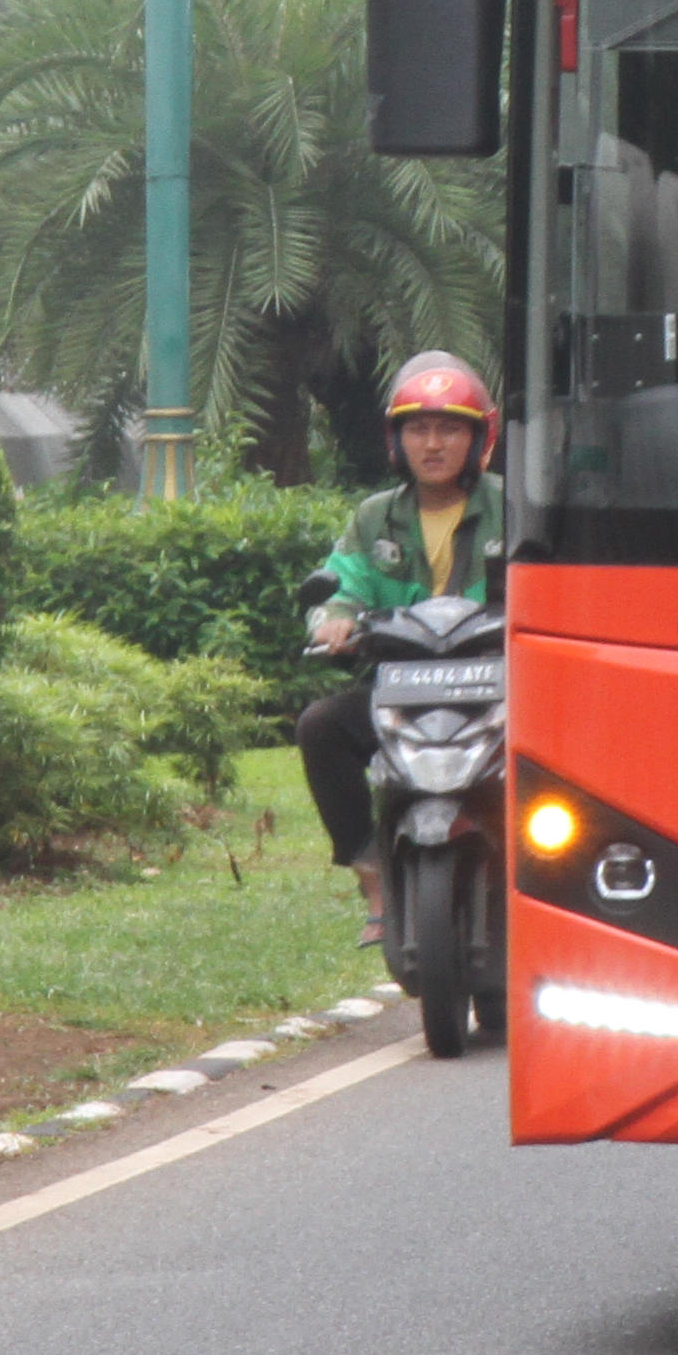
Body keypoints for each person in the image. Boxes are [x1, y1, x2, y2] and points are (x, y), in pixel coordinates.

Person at [298, 353, 511, 945]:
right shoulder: (374, 517)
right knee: (321, 726)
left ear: (479, 438)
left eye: (450, 428)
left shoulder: (514, 506)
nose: (433, 443)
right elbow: (340, 584)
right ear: (397, 439)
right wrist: (333, 621)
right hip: (403, 685)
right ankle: (373, 874)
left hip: (502, 686)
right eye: (418, 428)